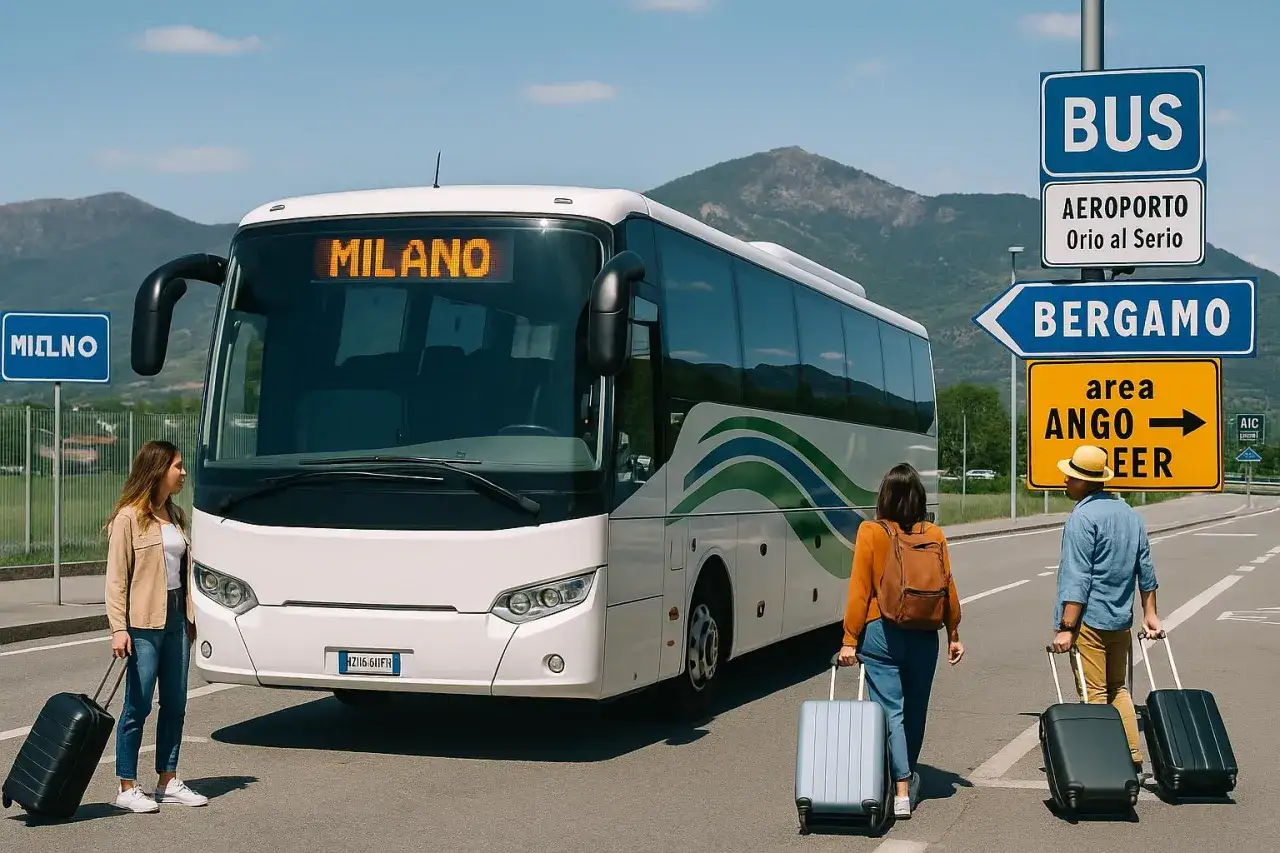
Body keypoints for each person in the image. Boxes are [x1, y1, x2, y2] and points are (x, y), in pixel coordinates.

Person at [837, 462, 964, 820]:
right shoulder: (934, 534)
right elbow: (948, 587)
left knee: (890, 709)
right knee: (915, 710)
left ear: (884, 498)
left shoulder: (871, 531)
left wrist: (849, 639)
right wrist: (953, 633)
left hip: (882, 634)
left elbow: (860, 589)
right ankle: (907, 780)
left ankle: (901, 788)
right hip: (926, 636)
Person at [104, 440, 209, 813]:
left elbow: (184, 572)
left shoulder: (176, 515)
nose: (183, 473)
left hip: (177, 619)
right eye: (177, 466)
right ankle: (127, 785)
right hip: (143, 622)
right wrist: (119, 628)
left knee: (176, 703)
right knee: (139, 703)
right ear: (158, 469)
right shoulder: (129, 518)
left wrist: (193, 619)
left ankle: (167, 779)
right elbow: (117, 579)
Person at [1049, 444, 1161, 781]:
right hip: (1120, 621)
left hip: (1089, 623)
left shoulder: (1082, 519)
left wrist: (1068, 626)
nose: (1065, 480)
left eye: (1071, 476)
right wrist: (1150, 613)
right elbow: (1146, 568)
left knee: (1094, 695)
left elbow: (1077, 577)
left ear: (1085, 482)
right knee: (1119, 690)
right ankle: (1135, 761)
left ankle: (1108, 766)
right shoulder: (1130, 515)